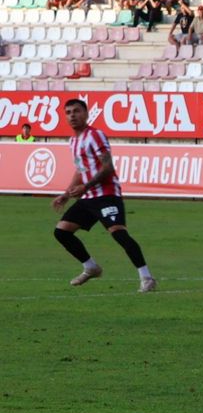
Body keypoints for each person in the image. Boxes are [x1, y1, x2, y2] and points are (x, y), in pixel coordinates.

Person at [51, 98, 156, 293]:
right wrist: (66, 194)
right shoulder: (73, 141)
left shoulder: (96, 135)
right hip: (88, 197)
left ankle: (146, 277)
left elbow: (108, 167)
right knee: (61, 232)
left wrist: (85, 186)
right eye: (68, 112)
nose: (72, 115)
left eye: (76, 111)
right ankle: (91, 267)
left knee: (118, 233)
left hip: (106, 194)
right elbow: (80, 169)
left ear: (86, 113)